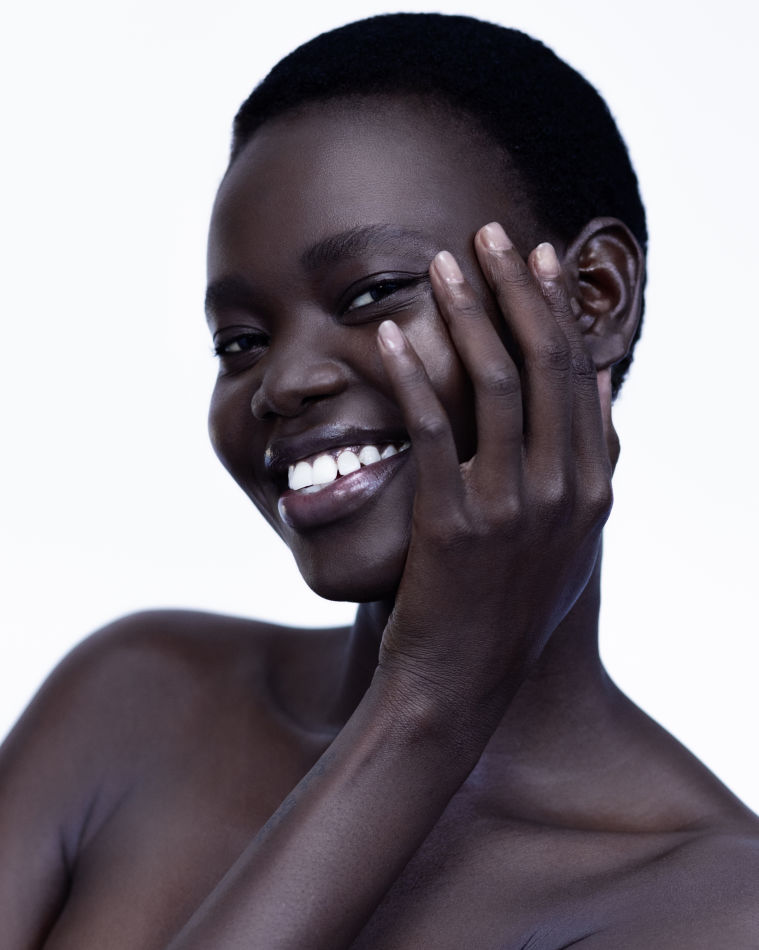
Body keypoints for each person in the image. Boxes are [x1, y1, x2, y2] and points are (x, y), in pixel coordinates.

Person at [1, 12, 757, 948]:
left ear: (592, 295)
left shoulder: (712, 907)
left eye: (370, 294)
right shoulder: (138, 702)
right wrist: (425, 706)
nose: (283, 382)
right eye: (240, 342)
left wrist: (430, 699)